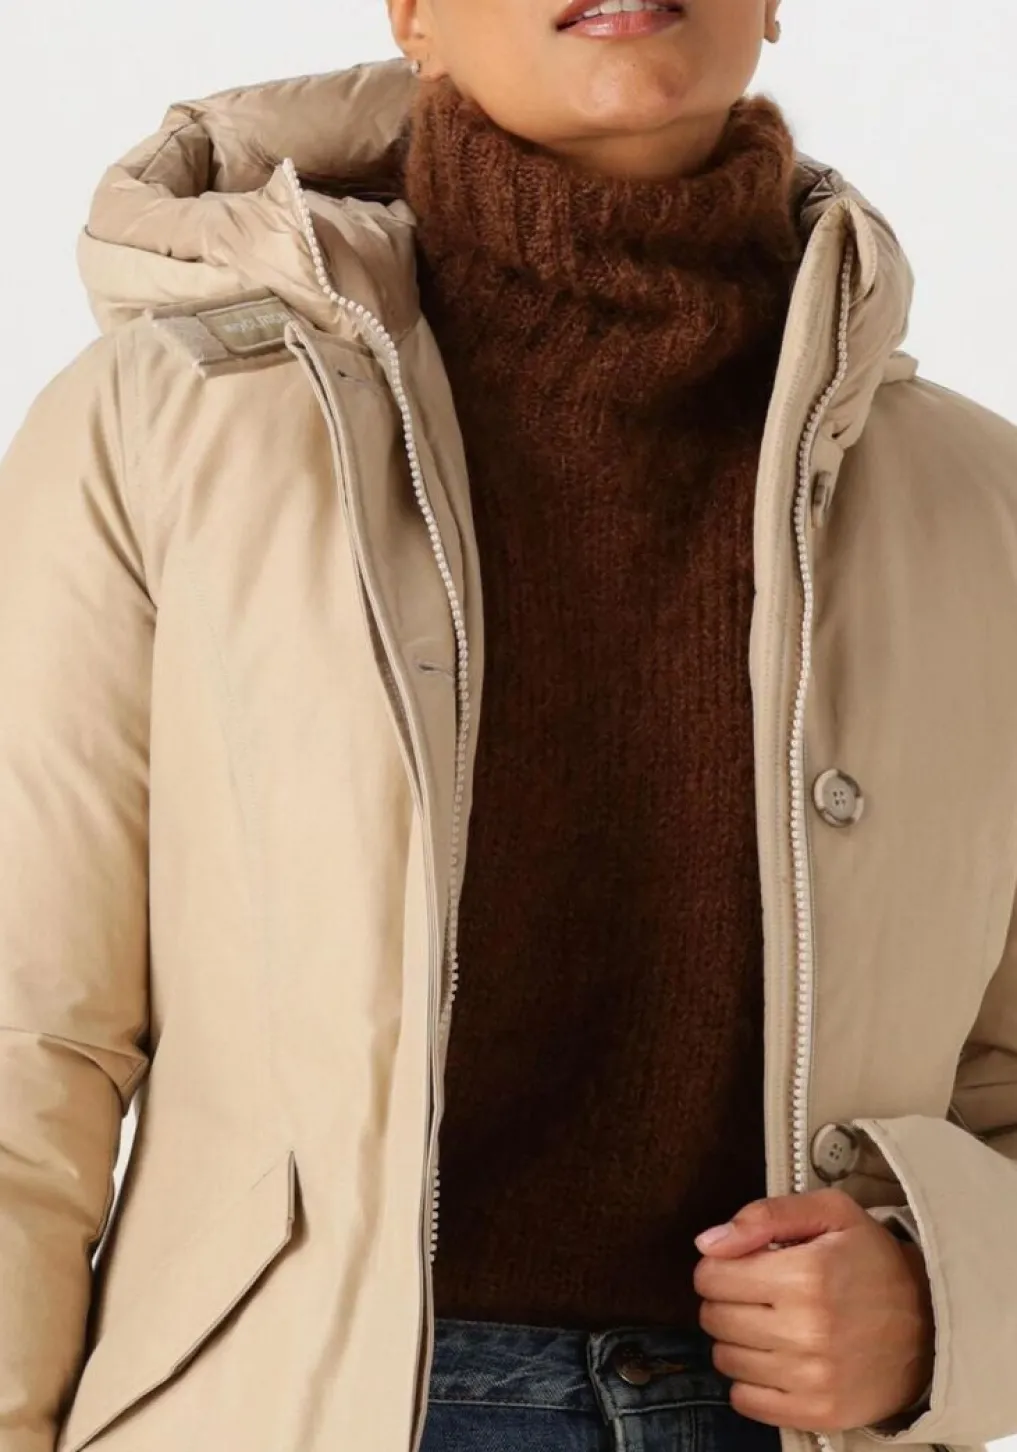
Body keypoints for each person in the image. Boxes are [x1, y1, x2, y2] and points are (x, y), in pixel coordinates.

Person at [1, 1, 1016, 1451]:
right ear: (412, 13)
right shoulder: (162, 427)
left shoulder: (979, 503)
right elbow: (31, 1037)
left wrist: (949, 1300)